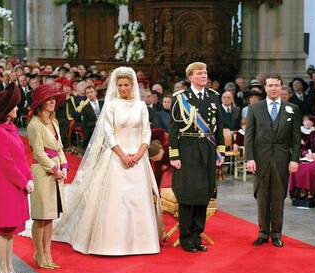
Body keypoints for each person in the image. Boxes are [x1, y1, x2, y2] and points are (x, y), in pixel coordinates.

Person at [52, 66, 162, 256]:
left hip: (138, 157)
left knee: (137, 199)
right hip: (117, 156)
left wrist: (137, 155)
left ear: (132, 85)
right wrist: (123, 155)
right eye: (120, 85)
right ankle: (111, 243)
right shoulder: (111, 105)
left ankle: (143, 242)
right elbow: (109, 134)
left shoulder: (141, 106)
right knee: (116, 199)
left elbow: (146, 132)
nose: (123, 89)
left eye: (126, 85)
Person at [169, 62, 225, 253]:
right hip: (188, 150)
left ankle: (197, 236)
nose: (204, 76)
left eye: (205, 72)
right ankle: (185, 238)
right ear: (190, 77)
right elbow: (174, 129)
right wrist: (174, 155)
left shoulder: (213, 96)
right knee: (187, 193)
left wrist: (221, 152)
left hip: (208, 150)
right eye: (199, 73)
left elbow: (219, 127)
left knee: (203, 193)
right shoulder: (181, 98)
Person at [245, 73, 301, 247]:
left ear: (281, 87)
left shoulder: (292, 108)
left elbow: (296, 138)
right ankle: (263, 232)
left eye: (277, 85)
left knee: (278, 197)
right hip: (260, 159)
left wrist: (294, 159)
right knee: (262, 197)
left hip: (282, 159)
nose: (273, 88)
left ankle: (276, 233)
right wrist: (250, 158)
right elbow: (249, 136)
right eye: (270, 85)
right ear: (265, 88)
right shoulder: (255, 108)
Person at [0, 83, 34, 273]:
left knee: (11, 230)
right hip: (8, 187)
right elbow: (7, 165)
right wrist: (24, 182)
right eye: (14, 106)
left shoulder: (11, 128)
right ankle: (2, 269)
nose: (17, 108)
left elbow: (21, 158)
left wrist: (29, 177)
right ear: (6, 111)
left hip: (18, 187)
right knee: (3, 229)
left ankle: (10, 268)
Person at [27, 84, 68, 269]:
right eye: (48, 99)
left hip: (56, 173)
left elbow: (59, 148)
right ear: (41, 103)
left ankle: (48, 254)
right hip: (42, 173)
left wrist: (64, 166)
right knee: (40, 217)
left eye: (54, 99)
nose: (52, 102)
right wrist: (54, 169)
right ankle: (39, 254)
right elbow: (39, 152)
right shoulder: (34, 124)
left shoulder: (55, 122)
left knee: (50, 216)